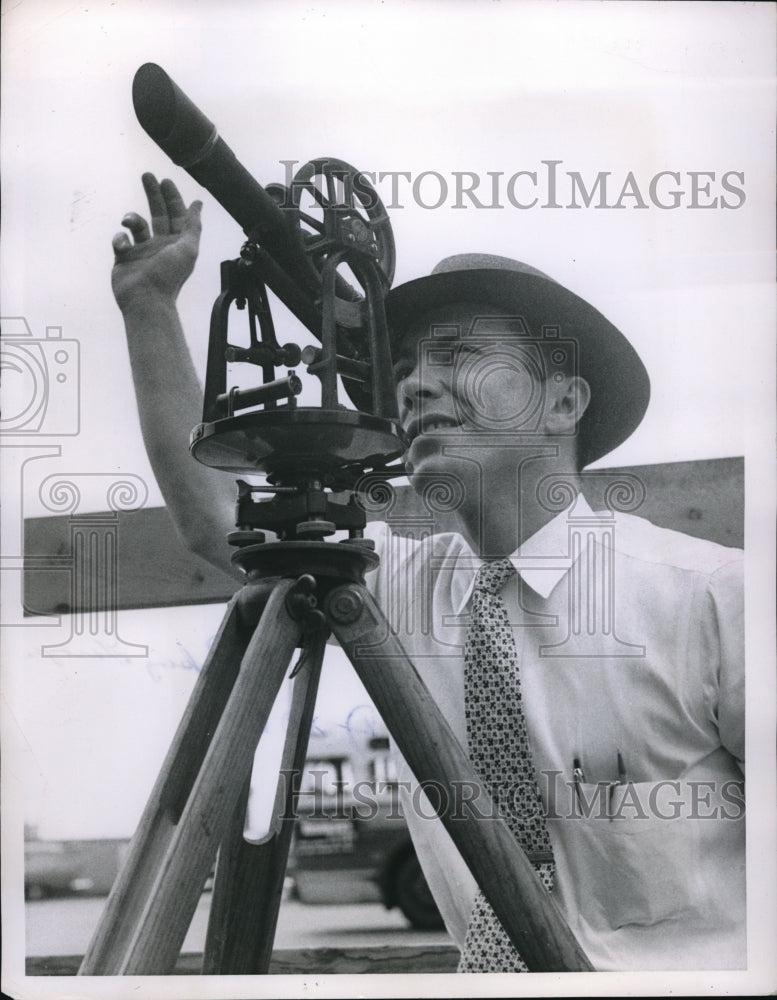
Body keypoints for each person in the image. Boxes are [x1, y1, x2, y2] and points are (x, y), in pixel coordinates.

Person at [112, 173, 745, 972]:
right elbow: (216, 522)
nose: (411, 384)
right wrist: (148, 308)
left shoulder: (713, 597)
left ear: (562, 404)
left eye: (459, 356)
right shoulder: (399, 594)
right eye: (405, 365)